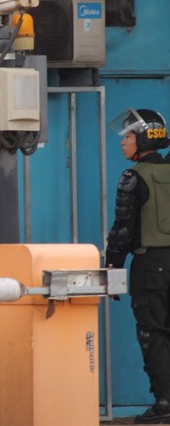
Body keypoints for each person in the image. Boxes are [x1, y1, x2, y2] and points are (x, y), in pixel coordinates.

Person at [106, 107, 170, 424]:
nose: (123, 142)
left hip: (151, 266)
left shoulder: (133, 177)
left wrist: (112, 267)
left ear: (143, 138)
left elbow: (123, 230)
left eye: (128, 136)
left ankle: (165, 403)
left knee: (152, 333)